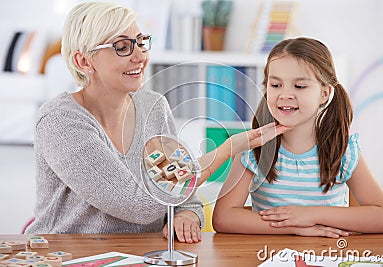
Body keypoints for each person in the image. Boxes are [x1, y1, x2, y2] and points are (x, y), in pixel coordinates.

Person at [25, 2, 289, 243]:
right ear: (84, 61)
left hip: (139, 254)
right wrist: (227, 149)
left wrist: (187, 216)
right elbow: (140, 204)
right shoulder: (60, 122)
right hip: (67, 255)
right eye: (122, 47)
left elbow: (184, 197)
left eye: (141, 42)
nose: (140, 56)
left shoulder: (153, 106)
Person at [212, 37, 383, 237]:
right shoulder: (253, 148)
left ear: (324, 94)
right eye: (275, 85)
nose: (285, 95)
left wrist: (310, 215)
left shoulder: (343, 150)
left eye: (299, 86)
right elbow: (223, 218)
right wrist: (295, 228)